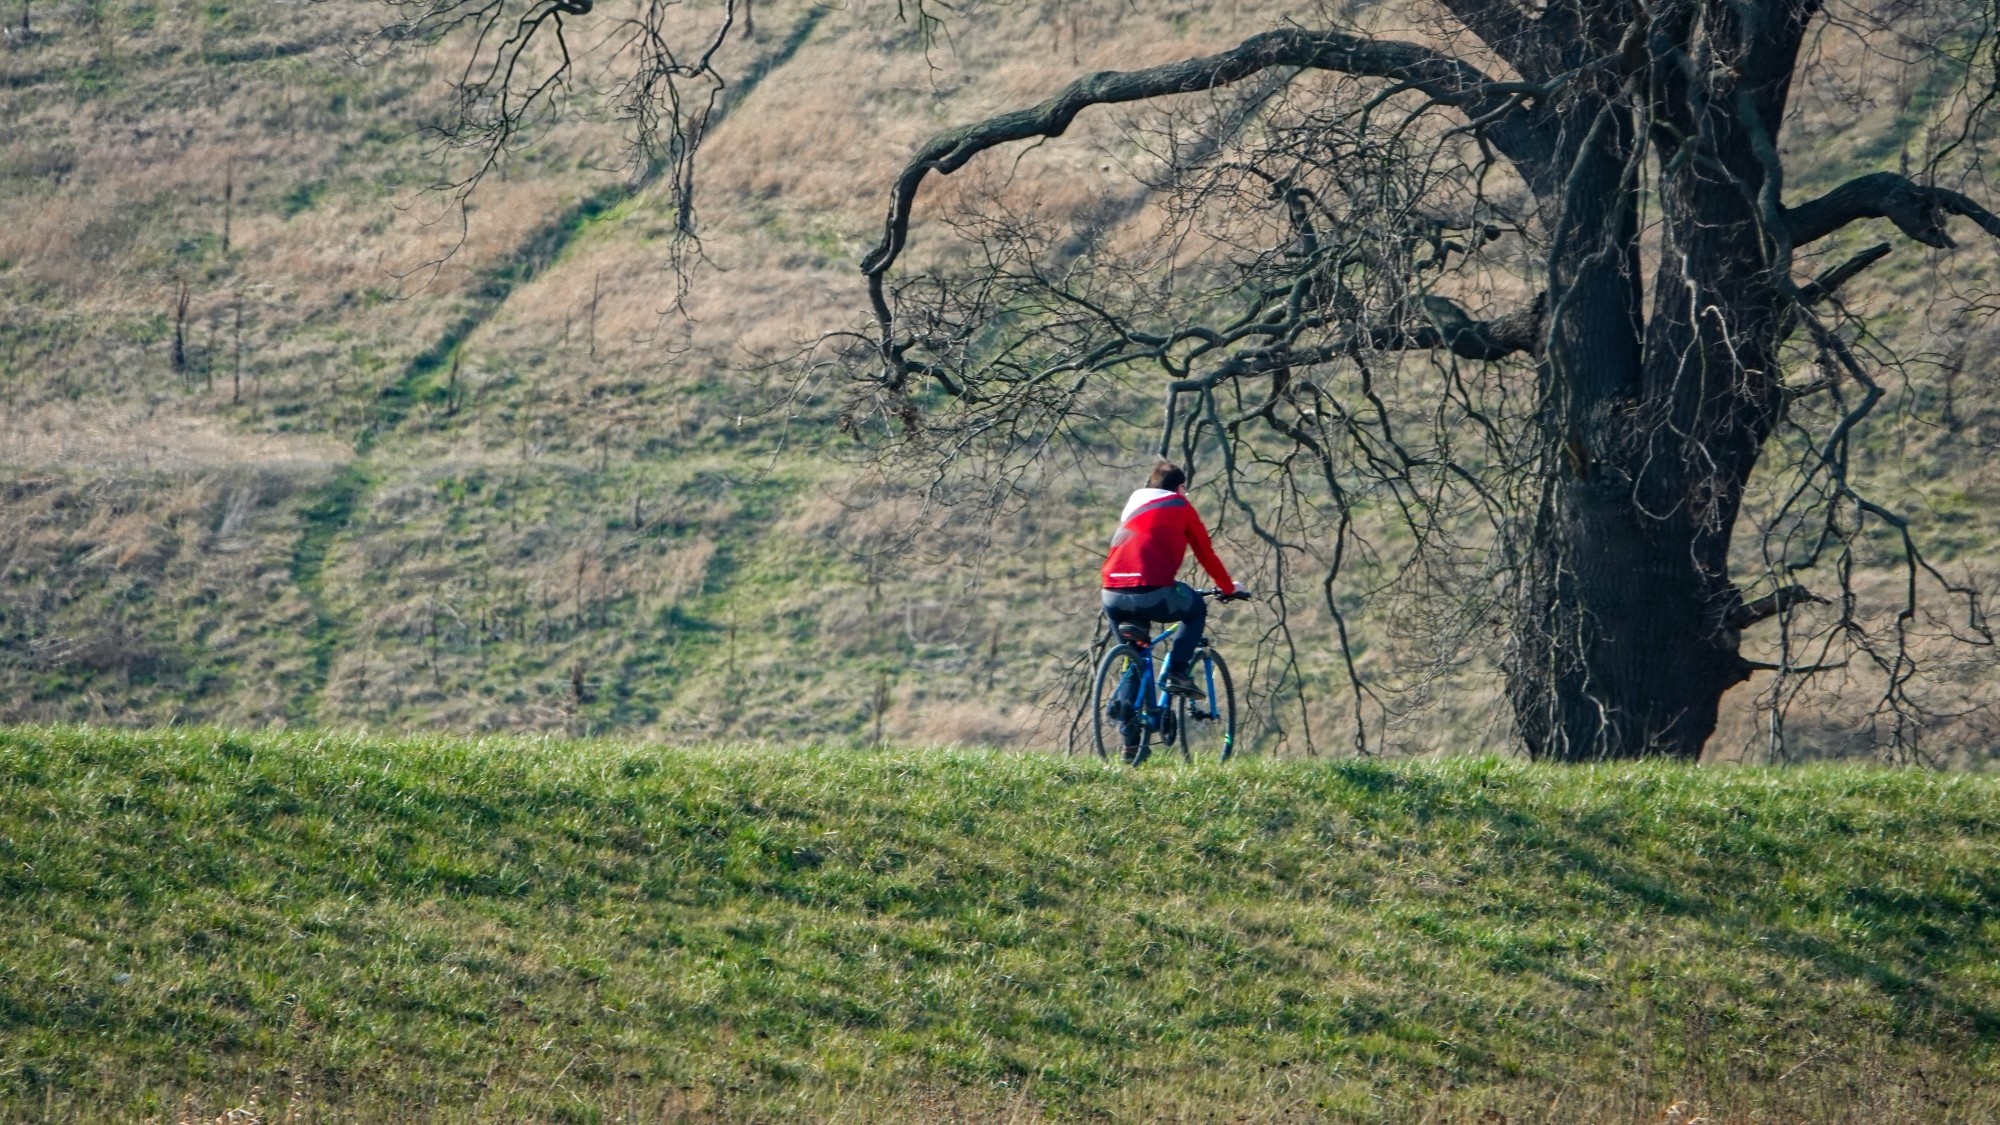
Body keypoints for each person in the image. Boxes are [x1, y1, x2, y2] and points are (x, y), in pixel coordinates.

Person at [1100, 461, 1240, 706]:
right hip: (1152, 590)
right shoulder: (1180, 505)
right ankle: (1176, 671)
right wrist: (1228, 588)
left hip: (1111, 593)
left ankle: (1126, 723)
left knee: (1135, 656)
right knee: (1196, 609)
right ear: (1180, 487)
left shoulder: (1134, 504)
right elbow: (1205, 554)